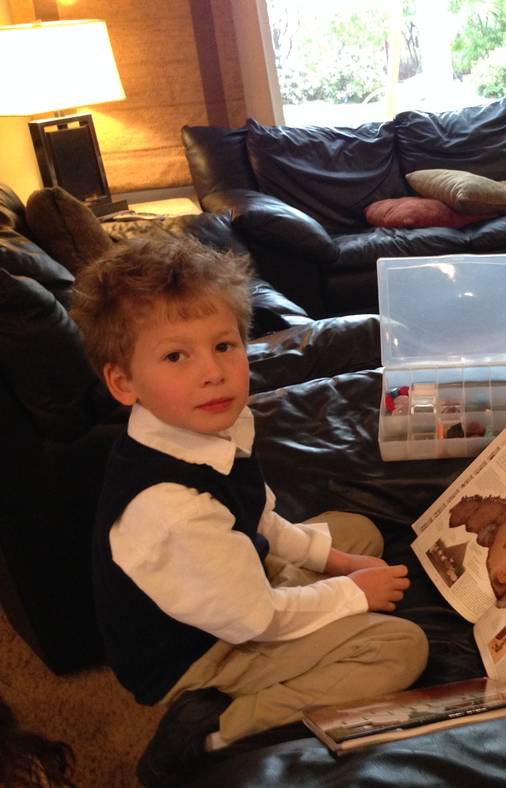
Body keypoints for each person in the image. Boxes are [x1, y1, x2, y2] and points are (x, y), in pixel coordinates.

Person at [70, 237, 428, 784]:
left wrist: (334, 563)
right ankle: (218, 730)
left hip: (228, 586)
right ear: (123, 382)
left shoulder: (211, 426)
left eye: (224, 345)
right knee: (400, 649)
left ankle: (313, 592)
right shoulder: (169, 509)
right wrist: (353, 592)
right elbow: (257, 617)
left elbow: (257, 517)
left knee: (353, 532)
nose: (212, 372)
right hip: (203, 650)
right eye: (175, 356)